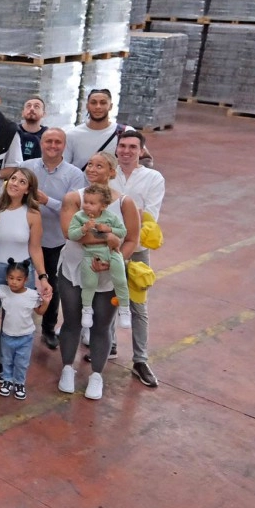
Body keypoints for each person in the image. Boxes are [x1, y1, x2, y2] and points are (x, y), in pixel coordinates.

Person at [56, 152, 140, 400]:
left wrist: (113, 261)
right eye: (90, 164)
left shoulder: (124, 203)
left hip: (107, 274)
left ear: (112, 172)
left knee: (102, 325)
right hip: (74, 268)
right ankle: (67, 369)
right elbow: (71, 234)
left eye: (99, 165)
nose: (91, 169)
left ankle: (96, 376)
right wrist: (110, 238)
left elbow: (132, 239)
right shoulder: (74, 198)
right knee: (71, 321)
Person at [0, 167, 52, 391]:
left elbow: (35, 248)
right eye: (13, 179)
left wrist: (42, 277)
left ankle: (4, 367)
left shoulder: (32, 214)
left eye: (22, 181)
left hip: (21, 276)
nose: (15, 183)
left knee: (13, 327)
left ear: (28, 189)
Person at [15, 128, 85, 350]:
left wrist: (48, 201)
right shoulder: (27, 167)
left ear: (64, 146)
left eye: (57, 142)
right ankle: (16, 325)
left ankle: (48, 328)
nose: (52, 146)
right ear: (41, 143)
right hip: (25, 237)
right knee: (18, 280)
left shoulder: (75, 174)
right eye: (48, 141)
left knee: (52, 285)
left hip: (55, 240)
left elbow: (73, 210)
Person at [114, 130, 164, 387]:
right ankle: (109, 345)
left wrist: (118, 213)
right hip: (109, 247)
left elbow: (149, 215)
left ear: (141, 151)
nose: (126, 151)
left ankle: (140, 360)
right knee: (106, 299)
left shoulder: (153, 178)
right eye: (123, 146)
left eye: (132, 147)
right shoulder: (108, 174)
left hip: (138, 250)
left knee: (138, 306)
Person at [0, 259, 47, 399]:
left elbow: (40, 311)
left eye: (18, 279)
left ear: (26, 280)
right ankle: (7, 381)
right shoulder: (3, 291)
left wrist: (46, 302)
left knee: (22, 363)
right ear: (6, 278)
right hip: (7, 336)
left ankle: (20, 383)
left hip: (25, 337)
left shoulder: (32, 295)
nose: (14, 282)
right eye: (11, 278)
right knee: (7, 360)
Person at [68, 183, 131, 331]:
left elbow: (123, 232)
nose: (87, 206)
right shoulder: (79, 217)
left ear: (103, 206)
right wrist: (84, 228)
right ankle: (87, 309)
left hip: (112, 252)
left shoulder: (111, 217)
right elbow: (72, 235)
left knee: (120, 279)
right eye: (85, 202)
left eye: (92, 203)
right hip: (91, 254)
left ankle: (124, 308)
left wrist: (109, 229)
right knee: (89, 283)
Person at [63, 89, 142, 168]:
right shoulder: (71, 135)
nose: (98, 107)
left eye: (103, 103)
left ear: (110, 106)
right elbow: (64, 167)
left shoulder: (125, 132)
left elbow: (144, 157)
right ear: (87, 106)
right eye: (93, 103)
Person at [17, 96, 46, 161]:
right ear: (22, 113)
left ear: (43, 114)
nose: (32, 109)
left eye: (36, 106)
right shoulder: (13, 132)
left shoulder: (48, 136)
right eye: (28, 106)